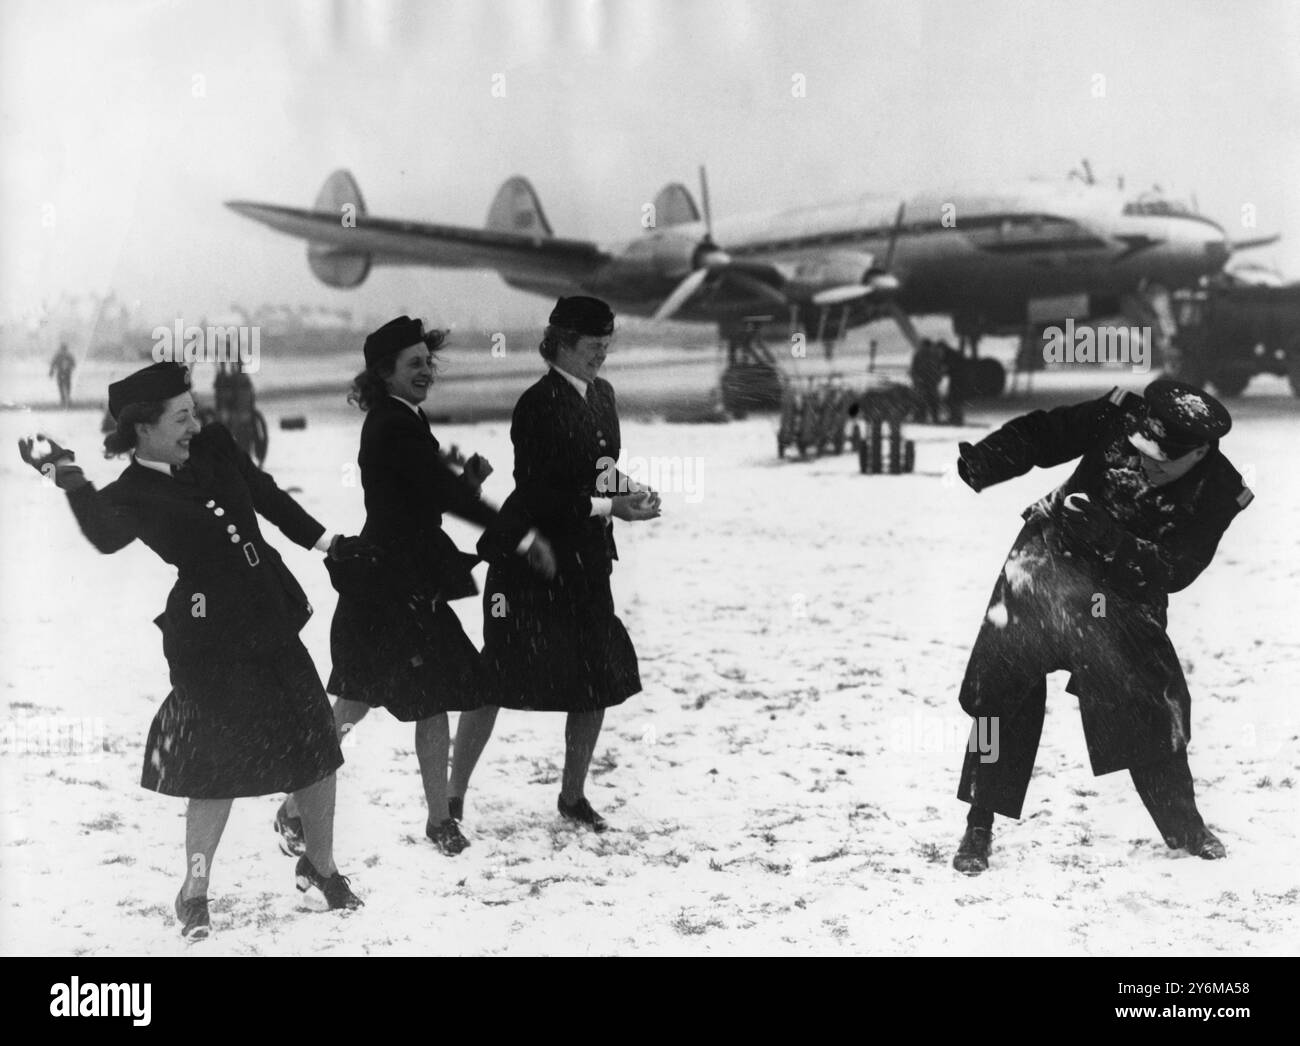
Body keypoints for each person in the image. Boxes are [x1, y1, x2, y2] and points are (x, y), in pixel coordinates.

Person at [17, 361, 367, 940]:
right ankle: (193, 892)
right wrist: (67, 473)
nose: (194, 423)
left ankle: (320, 865)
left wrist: (327, 542)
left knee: (317, 745)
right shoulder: (133, 491)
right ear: (143, 429)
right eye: (181, 416)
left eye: (193, 410)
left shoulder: (214, 445)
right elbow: (104, 535)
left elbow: (266, 496)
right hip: (210, 638)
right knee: (216, 766)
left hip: (269, 613)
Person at [277, 318, 556, 857]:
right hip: (389, 588)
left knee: (420, 703)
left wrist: (462, 482)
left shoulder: (404, 419)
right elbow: (438, 495)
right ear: (384, 374)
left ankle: (437, 820)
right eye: (415, 365)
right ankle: (295, 808)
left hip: (404, 583)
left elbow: (421, 495)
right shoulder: (392, 425)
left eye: (429, 362)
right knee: (355, 705)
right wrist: (518, 536)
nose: (427, 371)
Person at [950, 380, 1252, 875]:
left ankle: (1185, 827)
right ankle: (979, 821)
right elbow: (1045, 433)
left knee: (1150, 701)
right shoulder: (1119, 416)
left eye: (1161, 460)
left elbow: (1176, 571)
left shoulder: (1219, 491)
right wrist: (988, 458)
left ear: (1199, 451)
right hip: (1047, 557)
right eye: (1139, 451)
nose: (1145, 463)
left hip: (1126, 588)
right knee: (998, 691)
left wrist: (1113, 540)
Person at [476, 296, 660, 832]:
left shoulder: (602, 396)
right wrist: (609, 505)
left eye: (607, 346)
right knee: (497, 680)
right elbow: (538, 494)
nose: (602, 356)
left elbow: (599, 471)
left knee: (597, 677)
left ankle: (572, 796)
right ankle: (453, 801)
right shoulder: (536, 405)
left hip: (588, 560)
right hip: (535, 561)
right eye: (593, 347)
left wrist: (628, 493)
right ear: (561, 344)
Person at [909, 339, 943, 423]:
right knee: (932, 401)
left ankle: (921, 417)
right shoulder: (934, 355)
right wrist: (936, 378)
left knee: (921, 400)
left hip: (924, 382)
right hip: (930, 382)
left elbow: (914, 369)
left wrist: (916, 379)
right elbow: (939, 369)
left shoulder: (919, 354)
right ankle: (933, 418)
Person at [50, 342, 76, 408]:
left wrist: (51, 371)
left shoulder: (60, 355)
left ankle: (64, 399)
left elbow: (53, 363)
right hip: (65, 373)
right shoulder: (68, 355)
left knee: (63, 386)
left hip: (62, 373)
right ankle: (66, 399)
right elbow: (73, 364)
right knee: (65, 386)